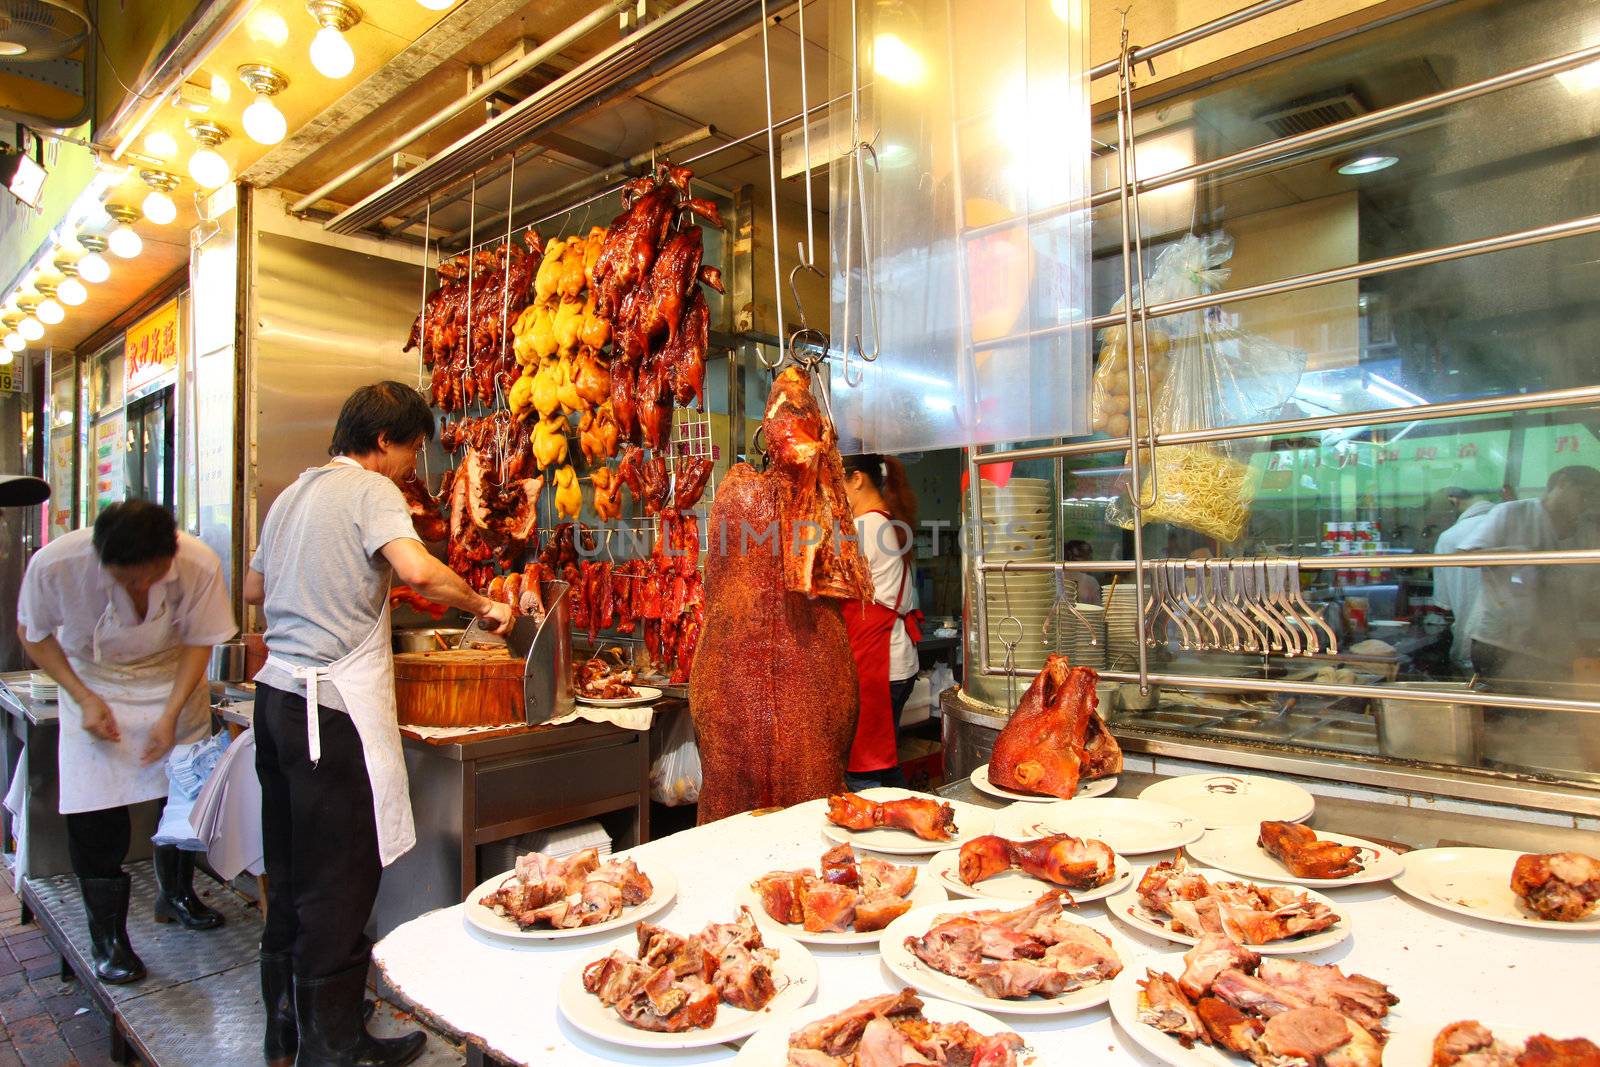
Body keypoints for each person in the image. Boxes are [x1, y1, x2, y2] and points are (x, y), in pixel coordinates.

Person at [244, 382, 513, 1067]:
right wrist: (482, 601)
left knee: (290, 869)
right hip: (325, 711)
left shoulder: (292, 495)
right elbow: (420, 570)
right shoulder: (369, 491)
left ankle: (286, 1028)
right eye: (413, 448)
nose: (411, 466)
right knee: (339, 879)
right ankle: (332, 1046)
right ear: (385, 439)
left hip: (275, 701)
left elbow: (252, 590)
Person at [16, 500, 237, 984]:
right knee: (96, 813)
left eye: (149, 577)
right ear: (101, 556)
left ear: (170, 554)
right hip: (94, 684)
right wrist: (83, 696)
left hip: (171, 680)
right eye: (126, 579)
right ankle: (108, 940)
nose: (138, 588)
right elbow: (32, 634)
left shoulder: (197, 563)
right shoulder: (56, 565)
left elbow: (201, 640)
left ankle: (175, 895)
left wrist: (171, 713)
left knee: (182, 799)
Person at [1456, 465, 1600, 686]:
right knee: (1515, 715)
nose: (1588, 503)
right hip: (1501, 644)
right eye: (1586, 494)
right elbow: (1463, 558)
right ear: (1563, 483)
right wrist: (1513, 554)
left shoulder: (1588, 532)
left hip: (1557, 646)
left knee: (1551, 716)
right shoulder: (1513, 513)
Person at [840, 453, 924, 790]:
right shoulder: (884, 521)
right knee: (884, 763)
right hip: (893, 660)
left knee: (861, 770)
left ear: (857, 479)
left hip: (878, 664)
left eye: (837, 481)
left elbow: (822, 586)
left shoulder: (864, 527)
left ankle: (872, 839)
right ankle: (909, 821)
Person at [1432, 487, 1494, 670]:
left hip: (1471, 647)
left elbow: (1444, 606)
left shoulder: (1449, 538)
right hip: (1520, 647)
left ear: (1454, 500)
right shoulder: (1514, 526)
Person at [1063, 539, 1102, 606]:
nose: (1088, 560)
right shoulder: (1090, 581)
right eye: (1081, 556)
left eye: (1089, 556)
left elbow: (1098, 608)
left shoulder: (1091, 581)